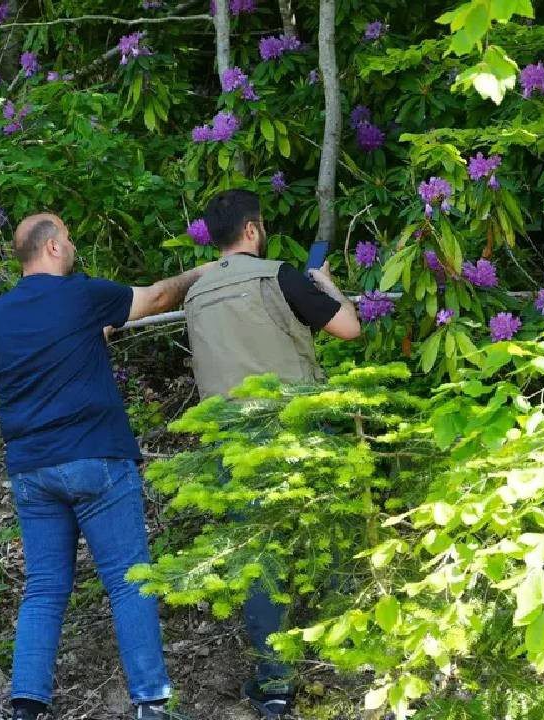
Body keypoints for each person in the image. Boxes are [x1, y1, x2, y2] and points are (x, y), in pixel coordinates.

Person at [0, 212, 209, 720]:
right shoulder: (79, 296)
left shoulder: (2, 314)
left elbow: (59, 349)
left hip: (31, 470)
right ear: (52, 249)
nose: (71, 244)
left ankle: (27, 705)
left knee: (43, 587)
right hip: (93, 457)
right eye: (66, 237)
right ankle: (151, 701)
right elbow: (154, 297)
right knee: (129, 580)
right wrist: (200, 274)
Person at [183, 190, 361, 719]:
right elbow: (348, 327)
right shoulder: (279, 276)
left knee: (257, 556)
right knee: (328, 531)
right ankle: (348, 655)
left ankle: (276, 683)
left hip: (230, 442)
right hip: (295, 425)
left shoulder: (195, 295)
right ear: (254, 230)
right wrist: (326, 284)